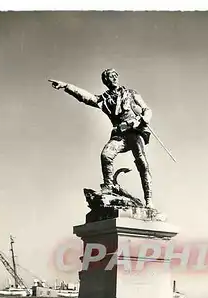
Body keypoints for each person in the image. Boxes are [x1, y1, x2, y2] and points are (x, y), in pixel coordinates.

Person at [49, 69, 153, 208]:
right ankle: (109, 187)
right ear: (105, 81)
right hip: (119, 134)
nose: (114, 78)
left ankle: (149, 200)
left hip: (134, 131)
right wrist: (67, 86)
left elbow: (147, 109)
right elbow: (86, 97)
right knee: (106, 155)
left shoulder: (131, 93)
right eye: (110, 76)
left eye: (115, 75)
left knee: (142, 164)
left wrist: (143, 119)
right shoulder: (103, 100)